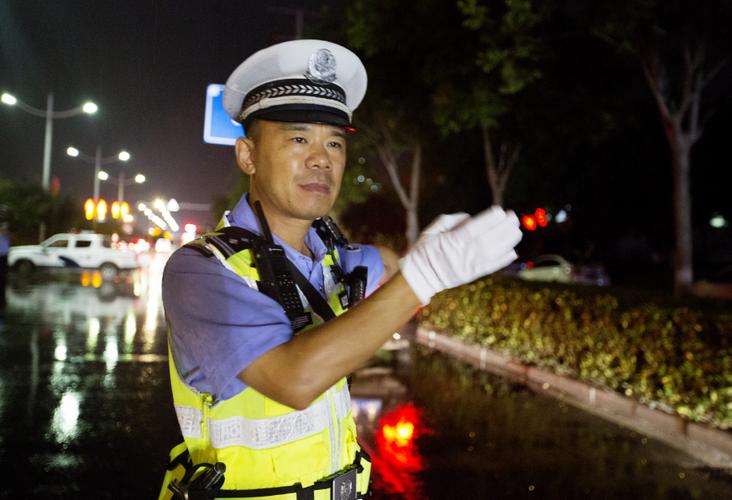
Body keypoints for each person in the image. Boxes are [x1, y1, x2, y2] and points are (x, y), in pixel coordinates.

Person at [159, 39, 522, 500]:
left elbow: (392, 270)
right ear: (247, 155)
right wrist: (425, 275)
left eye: (334, 142)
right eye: (298, 138)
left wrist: (433, 253)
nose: (321, 158)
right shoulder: (201, 271)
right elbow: (294, 379)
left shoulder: (337, 258)